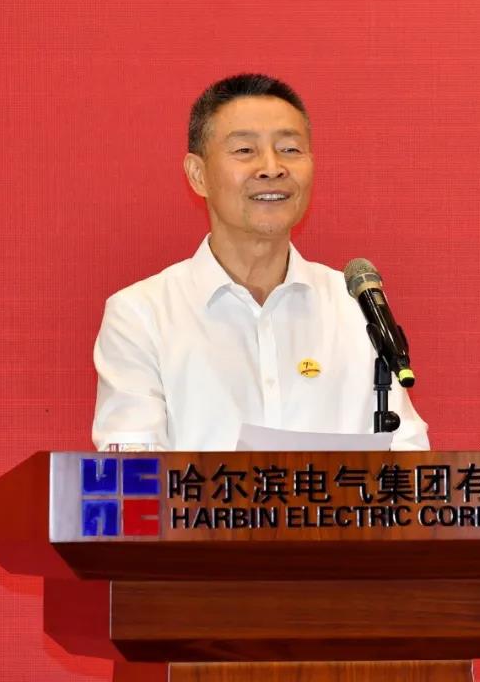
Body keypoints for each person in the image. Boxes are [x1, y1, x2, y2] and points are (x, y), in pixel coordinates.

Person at [92, 73, 428, 451]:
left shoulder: (354, 305)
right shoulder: (141, 314)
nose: (271, 167)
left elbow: (409, 455)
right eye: (244, 150)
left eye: (290, 149)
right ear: (198, 175)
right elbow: (130, 471)